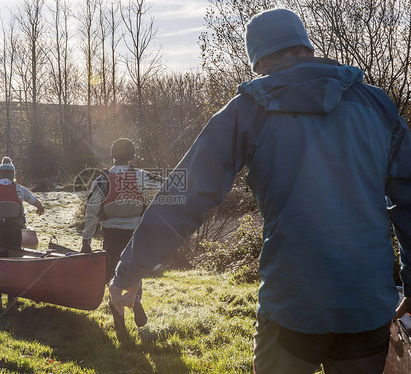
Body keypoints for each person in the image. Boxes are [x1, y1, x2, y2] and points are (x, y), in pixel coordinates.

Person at [108, 8, 411, 374]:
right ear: (306, 49)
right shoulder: (376, 105)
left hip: (292, 304)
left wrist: (129, 270)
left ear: (261, 61)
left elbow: (182, 196)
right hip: (367, 305)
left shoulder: (249, 109)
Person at [82, 138, 162, 328]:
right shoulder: (140, 175)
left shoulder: (102, 179)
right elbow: (166, 185)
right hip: (136, 235)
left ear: (113, 156)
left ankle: (119, 324)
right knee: (134, 272)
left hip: (111, 235)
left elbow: (91, 211)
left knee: (112, 278)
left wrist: (87, 240)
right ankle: (136, 302)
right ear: (132, 156)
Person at [0, 156, 44, 250]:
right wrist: (41, 208)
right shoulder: (20, 189)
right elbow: (35, 201)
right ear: (13, 174)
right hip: (14, 232)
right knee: (15, 249)